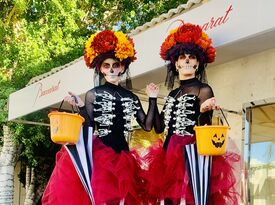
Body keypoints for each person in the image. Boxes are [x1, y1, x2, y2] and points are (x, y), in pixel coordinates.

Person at [42, 30, 159, 205]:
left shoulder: (131, 97)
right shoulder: (93, 94)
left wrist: (152, 98)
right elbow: (88, 127)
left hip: (124, 157)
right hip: (99, 155)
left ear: (123, 67)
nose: (111, 69)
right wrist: (80, 106)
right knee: (100, 199)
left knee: (122, 200)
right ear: (100, 69)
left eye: (116, 64)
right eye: (106, 65)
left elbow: (148, 126)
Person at [144, 22, 240, 205]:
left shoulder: (203, 90)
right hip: (168, 156)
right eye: (182, 56)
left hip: (192, 154)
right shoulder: (173, 94)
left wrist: (203, 112)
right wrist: (153, 99)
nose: (187, 60)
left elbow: (205, 128)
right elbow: (158, 127)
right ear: (176, 63)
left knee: (192, 199)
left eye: (192, 57)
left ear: (198, 63)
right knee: (169, 201)